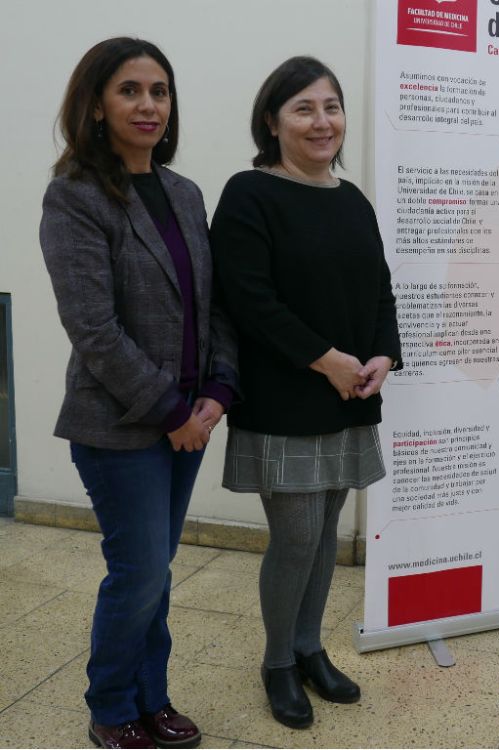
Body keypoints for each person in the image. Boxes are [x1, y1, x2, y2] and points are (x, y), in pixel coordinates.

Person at [39, 38, 238, 749]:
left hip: (188, 421)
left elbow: (213, 302)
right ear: (96, 104)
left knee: (156, 569)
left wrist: (216, 390)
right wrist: (172, 411)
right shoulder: (75, 195)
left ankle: (152, 697)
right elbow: (93, 328)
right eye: (130, 90)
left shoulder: (183, 193)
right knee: (140, 569)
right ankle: (110, 705)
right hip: (120, 425)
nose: (149, 104)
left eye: (160, 91)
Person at [210, 57, 402, 729]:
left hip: (349, 392)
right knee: (295, 537)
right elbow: (248, 300)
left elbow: (379, 290)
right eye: (303, 108)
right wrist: (328, 362)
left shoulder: (351, 199)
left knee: (324, 540)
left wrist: (382, 355)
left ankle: (309, 645)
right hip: (285, 397)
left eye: (331, 107)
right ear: (273, 120)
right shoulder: (249, 193)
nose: (322, 121)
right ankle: (277, 663)